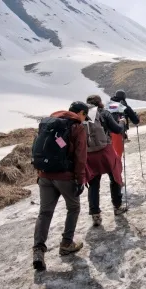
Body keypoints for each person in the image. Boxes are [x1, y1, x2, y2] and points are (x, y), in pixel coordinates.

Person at [32, 101, 89, 271]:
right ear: (80, 113)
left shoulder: (49, 122)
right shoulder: (77, 127)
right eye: (84, 115)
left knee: (45, 212)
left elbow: (38, 147)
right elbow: (80, 157)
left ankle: (38, 250)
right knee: (73, 208)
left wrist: (40, 172)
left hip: (44, 174)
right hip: (65, 176)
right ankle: (66, 243)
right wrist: (81, 179)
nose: (84, 119)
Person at [85, 95, 128, 226]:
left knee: (93, 183)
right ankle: (117, 206)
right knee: (114, 178)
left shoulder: (83, 116)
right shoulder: (104, 113)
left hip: (89, 154)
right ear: (100, 103)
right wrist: (122, 122)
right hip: (105, 151)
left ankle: (95, 214)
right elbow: (117, 129)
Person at [106, 90, 140, 158]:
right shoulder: (124, 106)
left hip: (107, 133)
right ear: (124, 97)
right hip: (118, 131)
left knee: (111, 154)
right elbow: (135, 120)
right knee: (117, 155)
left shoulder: (109, 105)